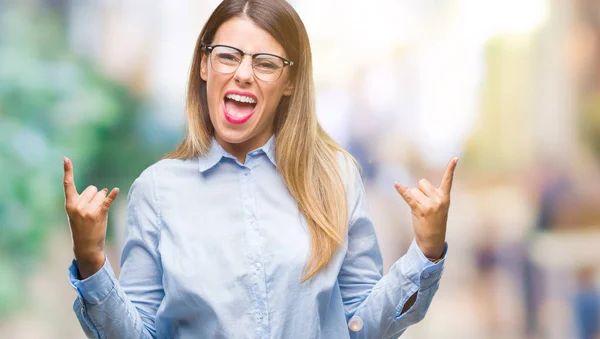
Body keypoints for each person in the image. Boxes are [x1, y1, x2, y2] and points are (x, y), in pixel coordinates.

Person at [63, 0, 457, 338]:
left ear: (288, 81)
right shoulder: (157, 190)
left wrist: (426, 251)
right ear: (205, 65)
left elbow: (362, 326)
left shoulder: (334, 176)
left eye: (266, 63)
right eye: (228, 55)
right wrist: (91, 258)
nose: (244, 73)